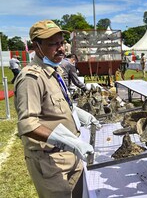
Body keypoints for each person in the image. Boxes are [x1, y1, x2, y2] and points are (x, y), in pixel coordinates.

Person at [14, 20, 97, 198]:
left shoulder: (55, 70)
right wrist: (71, 143)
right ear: (37, 46)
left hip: (72, 156)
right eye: (53, 44)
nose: (61, 48)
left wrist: (81, 115)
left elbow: (60, 105)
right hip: (50, 161)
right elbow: (28, 124)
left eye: (61, 43)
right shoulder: (31, 78)